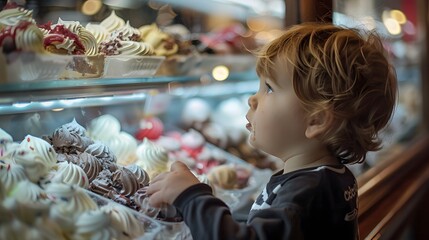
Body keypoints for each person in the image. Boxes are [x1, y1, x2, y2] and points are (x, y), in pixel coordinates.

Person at [147, 22, 397, 240]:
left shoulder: (304, 195)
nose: (252, 100)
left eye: (268, 88)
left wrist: (191, 197)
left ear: (316, 121)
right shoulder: (329, 177)